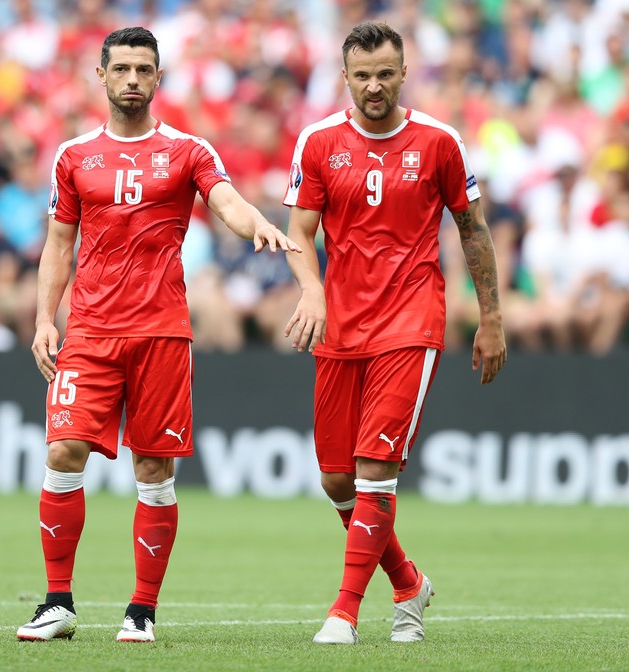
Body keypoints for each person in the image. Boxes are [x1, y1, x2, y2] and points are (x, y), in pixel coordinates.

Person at [17, 26, 300, 644]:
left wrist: (257, 224)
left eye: (144, 69)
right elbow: (59, 245)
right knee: (63, 451)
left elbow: (225, 201)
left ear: (159, 77)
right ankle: (57, 602)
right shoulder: (73, 156)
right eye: (121, 69)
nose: (133, 80)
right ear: (102, 76)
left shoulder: (188, 150)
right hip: (89, 331)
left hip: (161, 332)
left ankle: (141, 610)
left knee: (153, 467)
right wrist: (45, 318)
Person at [282, 22, 506, 645]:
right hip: (341, 324)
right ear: (345, 76)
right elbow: (300, 232)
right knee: (335, 478)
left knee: (375, 466)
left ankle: (345, 611)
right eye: (362, 75)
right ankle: (408, 583)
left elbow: (473, 228)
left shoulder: (439, 141)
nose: (374, 86)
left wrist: (489, 317)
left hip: (411, 321)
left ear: (404, 72)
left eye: (385, 73)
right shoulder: (319, 141)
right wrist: (311, 290)